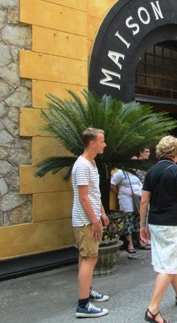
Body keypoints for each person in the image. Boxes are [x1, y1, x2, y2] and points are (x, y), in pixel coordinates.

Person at [140, 136, 177, 323]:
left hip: (155, 222)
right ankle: (153, 308)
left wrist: (142, 225)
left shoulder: (151, 172)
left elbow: (144, 201)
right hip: (173, 223)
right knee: (170, 264)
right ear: (176, 152)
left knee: (168, 261)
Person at [71, 128, 109, 318]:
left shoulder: (91, 163)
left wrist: (101, 212)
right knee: (89, 259)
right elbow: (83, 198)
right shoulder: (83, 166)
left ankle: (87, 291)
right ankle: (83, 305)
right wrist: (95, 221)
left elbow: (94, 194)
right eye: (102, 141)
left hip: (90, 218)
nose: (105, 144)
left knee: (86, 257)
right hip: (85, 221)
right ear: (92, 143)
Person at [110, 164, 143, 254]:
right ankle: (130, 244)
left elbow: (140, 184)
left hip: (136, 200)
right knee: (128, 220)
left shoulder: (136, 173)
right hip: (126, 200)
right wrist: (119, 194)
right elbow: (112, 184)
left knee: (137, 220)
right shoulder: (121, 173)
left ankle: (140, 241)